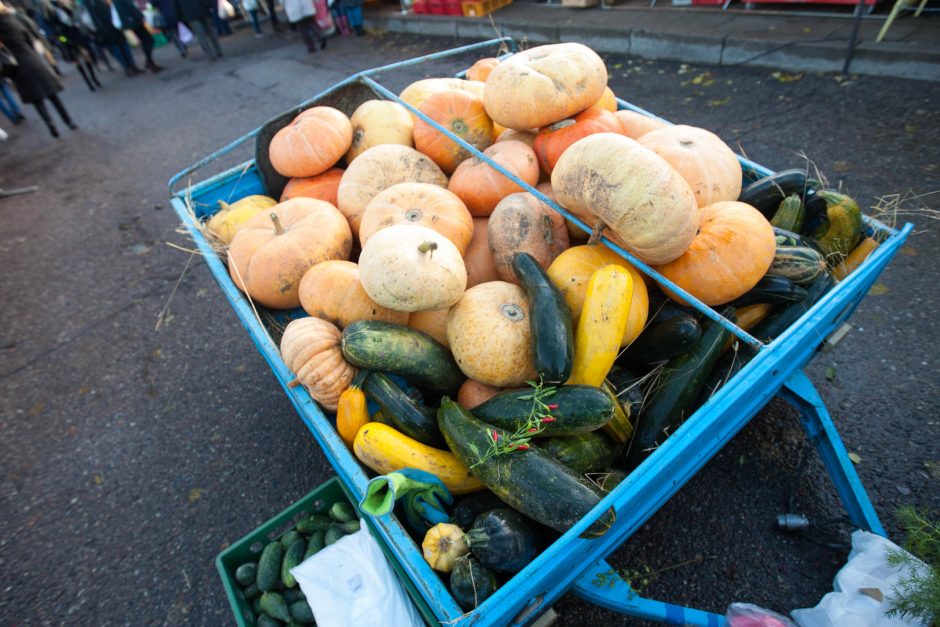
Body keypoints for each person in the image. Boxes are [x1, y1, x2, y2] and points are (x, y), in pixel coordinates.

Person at [0, 0, 77, 137]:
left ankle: (50, 124)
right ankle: (68, 120)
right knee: (53, 95)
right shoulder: (14, 21)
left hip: (18, 67)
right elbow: (28, 37)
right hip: (31, 59)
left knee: (37, 101)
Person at [47, 0, 102, 91]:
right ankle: (88, 82)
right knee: (78, 62)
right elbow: (58, 33)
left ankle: (93, 78)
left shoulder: (75, 7)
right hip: (70, 41)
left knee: (88, 58)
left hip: (80, 37)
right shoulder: (56, 13)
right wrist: (65, 41)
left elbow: (82, 20)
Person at [84, 0, 140, 75]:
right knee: (116, 47)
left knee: (124, 44)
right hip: (106, 28)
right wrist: (102, 30)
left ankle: (132, 65)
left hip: (116, 23)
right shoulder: (90, 2)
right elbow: (94, 16)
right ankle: (126, 67)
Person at [111, 0, 163, 72]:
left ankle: (149, 62)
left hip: (131, 21)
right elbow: (130, 7)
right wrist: (139, 16)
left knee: (147, 40)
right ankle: (149, 62)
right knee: (148, 40)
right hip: (134, 21)